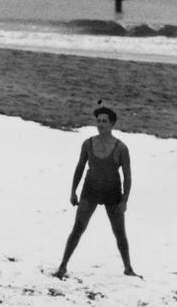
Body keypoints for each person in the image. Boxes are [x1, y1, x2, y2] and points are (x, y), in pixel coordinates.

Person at [54, 105, 137, 279]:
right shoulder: (88, 143)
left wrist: (124, 201)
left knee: (120, 232)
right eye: (98, 121)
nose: (100, 124)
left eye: (104, 121)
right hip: (90, 190)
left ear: (112, 124)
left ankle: (128, 268)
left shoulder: (121, 148)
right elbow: (80, 167)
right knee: (78, 228)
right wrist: (73, 191)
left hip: (113, 192)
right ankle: (62, 266)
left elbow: (128, 177)